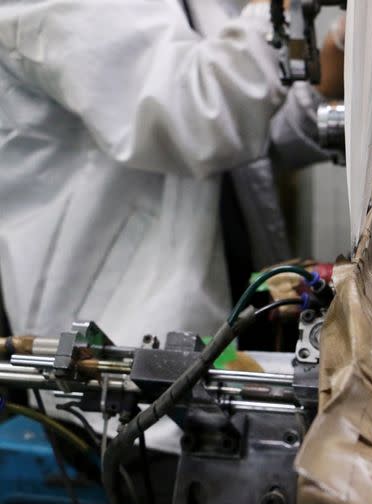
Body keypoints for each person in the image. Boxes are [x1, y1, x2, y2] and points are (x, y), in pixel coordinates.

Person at [0, 0, 345, 347]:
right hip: (121, 332)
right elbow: (195, 114)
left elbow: (247, 138)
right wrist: (277, 10)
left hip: (227, 304)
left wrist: (331, 73)